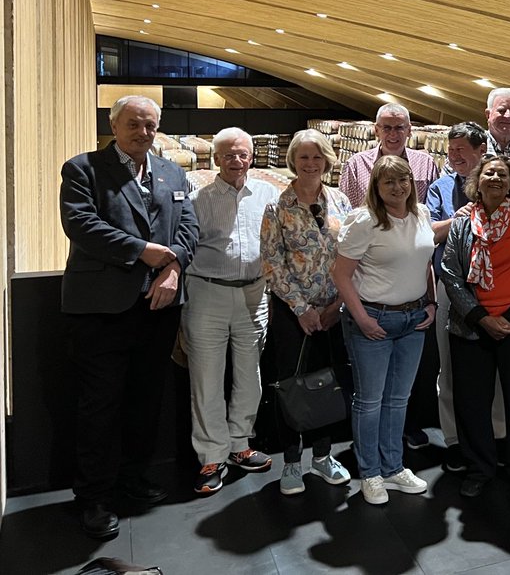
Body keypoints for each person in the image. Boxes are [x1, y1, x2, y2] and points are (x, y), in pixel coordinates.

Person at [59, 96, 199, 539]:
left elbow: (189, 228)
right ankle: (93, 497)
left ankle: (133, 477)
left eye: (150, 125)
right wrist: (142, 251)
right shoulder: (83, 169)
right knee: (100, 404)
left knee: (145, 399)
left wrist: (175, 265)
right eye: (134, 124)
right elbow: (81, 224)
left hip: (158, 306)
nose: (143, 132)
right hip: (102, 307)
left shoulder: (172, 172)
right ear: (114, 124)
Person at [441, 155, 510, 497]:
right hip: (472, 327)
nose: (495, 178)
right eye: (489, 172)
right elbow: (450, 274)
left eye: (502, 174)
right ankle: (479, 466)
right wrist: (481, 318)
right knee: (472, 402)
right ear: (477, 180)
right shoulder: (463, 223)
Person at [332, 155, 437, 505]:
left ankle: (393, 466)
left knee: (398, 399)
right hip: (374, 319)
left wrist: (432, 303)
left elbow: (425, 265)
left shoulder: (421, 215)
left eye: (403, 179)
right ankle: (370, 472)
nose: (398, 187)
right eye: (389, 181)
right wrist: (361, 318)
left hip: (413, 321)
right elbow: (341, 275)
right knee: (370, 401)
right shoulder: (365, 221)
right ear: (376, 187)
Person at [425, 122, 510, 473]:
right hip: (454, 289)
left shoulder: (506, 180)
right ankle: (456, 439)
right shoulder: (440, 188)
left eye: (461, 150)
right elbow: (429, 234)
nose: (454, 156)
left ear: (480, 150)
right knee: (451, 369)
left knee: (499, 372)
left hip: (503, 291)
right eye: (451, 150)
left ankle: (497, 435)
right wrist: (456, 221)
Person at [184, 127, 280, 495]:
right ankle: (211, 456)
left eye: (242, 154)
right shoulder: (197, 199)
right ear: (215, 159)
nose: (236, 161)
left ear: (251, 157)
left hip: (255, 294)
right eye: (228, 155)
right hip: (207, 292)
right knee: (206, 378)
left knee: (250, 374)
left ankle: (240, 444)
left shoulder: (269, 194)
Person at [260, 130, 355, 495]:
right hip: (292, 313)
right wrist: (301, 309)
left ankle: (323, 456)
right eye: (304, 158)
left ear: (327, 160)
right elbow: (272, 264)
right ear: (293, 162)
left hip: (333, 309)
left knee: (328, 383)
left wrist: (337, 306)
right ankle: (291, 463)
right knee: (292, 385)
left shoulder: (342, 202)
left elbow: (350, 254)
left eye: (317, 157)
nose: (311, 164)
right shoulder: (278, 207)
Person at [339, 103, 438, 207]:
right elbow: (346, 209)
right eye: (387, 128)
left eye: (399, 128)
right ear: (377, 130)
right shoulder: (356, 164)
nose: (393, 134)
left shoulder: (425, 163)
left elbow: (433, 209)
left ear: (409, 130)